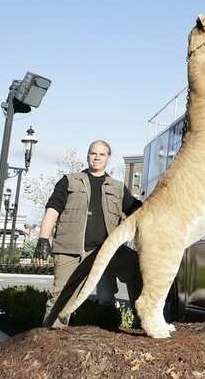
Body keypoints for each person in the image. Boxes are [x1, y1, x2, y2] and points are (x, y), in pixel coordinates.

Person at [34, 140, 143, 327]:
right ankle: (50, 337)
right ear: (87, 156)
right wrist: (43, 240)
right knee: (60, 298)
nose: (97, 157)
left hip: (107, 251)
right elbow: (52, 209)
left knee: (139, 267)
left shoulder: (117, 187)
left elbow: (138, 211)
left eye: (102, 154)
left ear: (108, 158)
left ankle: (143, 322)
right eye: (94, 153)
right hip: (72, 251)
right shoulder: (69, 181)